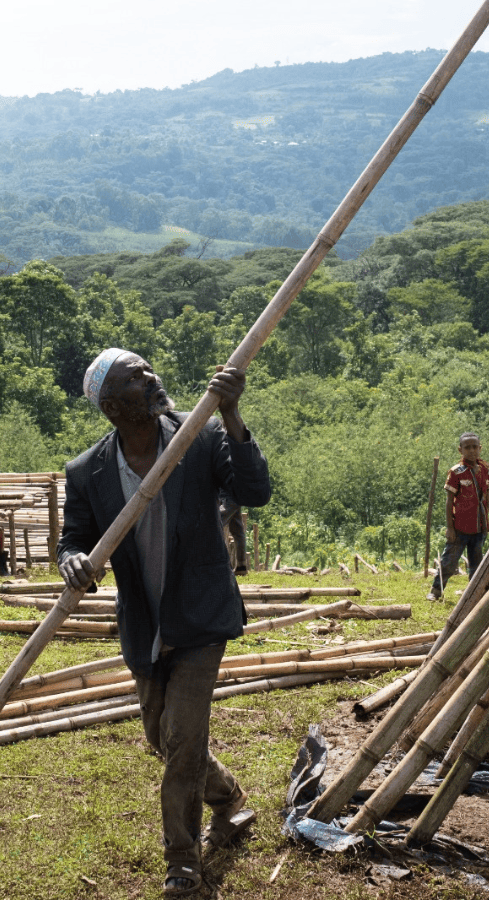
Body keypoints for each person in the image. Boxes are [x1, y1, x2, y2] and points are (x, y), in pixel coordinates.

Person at [57, 348, 271, 896]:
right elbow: (73, 540)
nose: (152, 377)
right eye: (135, 376)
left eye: (149, 367)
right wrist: (73, 562)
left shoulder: (196, 438)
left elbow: (255, 493)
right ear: (111, 406)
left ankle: (182, 861)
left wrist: (230, 415)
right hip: (145, 622)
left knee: (180, 741)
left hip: (200, 614)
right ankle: (227, 797)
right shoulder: (87, 472)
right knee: (162, 736)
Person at [427, 432, 489, 601]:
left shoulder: (486, 470)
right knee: (449, 562)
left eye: (475, 447)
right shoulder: (456, 472)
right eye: (467, 447)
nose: (471, 451)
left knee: (476, 564)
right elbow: (449, 502)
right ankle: (436, 590)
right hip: (460, 528)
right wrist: (450, 528)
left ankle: (473, 595)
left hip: (480, 527)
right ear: (460, 450)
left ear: (480, 448)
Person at [219, 490, 247, 575]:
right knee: (238, 532)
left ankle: (218, 565)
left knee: (214, 524)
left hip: (227, 498)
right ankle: (241, 566)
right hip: (236, 497)